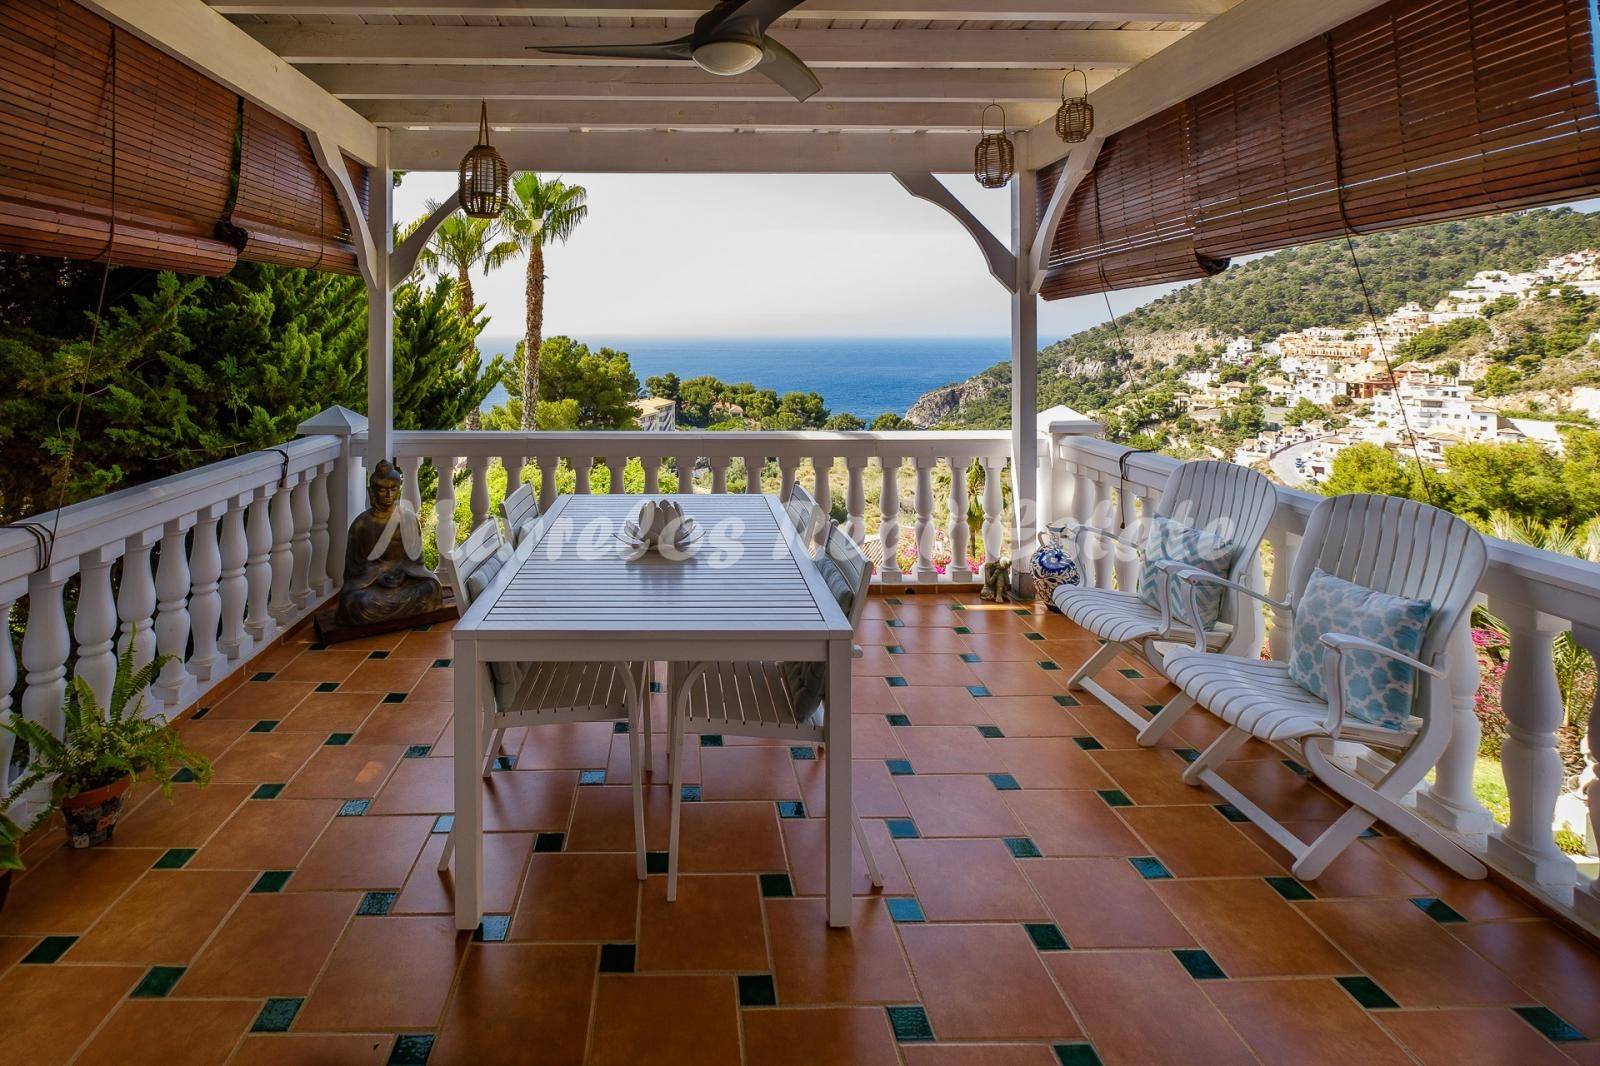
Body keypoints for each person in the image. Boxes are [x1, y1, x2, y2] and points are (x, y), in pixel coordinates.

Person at [335, 460, 443, 626]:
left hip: (404, 579)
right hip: (373, 585)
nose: (388, 495)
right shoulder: (361, 525)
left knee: (431, 588)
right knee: (356, 603)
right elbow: (353, 570)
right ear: (372, 492)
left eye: (393, 489)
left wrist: (401, 573)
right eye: (383, 490)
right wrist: (379, 574)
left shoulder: (407, 519)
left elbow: (417, 561)